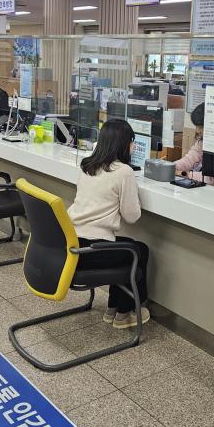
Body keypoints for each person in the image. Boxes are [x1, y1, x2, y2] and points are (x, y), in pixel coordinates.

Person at [67, 119, 150, 329]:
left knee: (129, 247)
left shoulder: (87, 166)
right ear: (125, 143)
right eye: (132, 141)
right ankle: (125, 312)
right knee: (138, 251)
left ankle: (113, 308)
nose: (133, 146)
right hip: (91, 250)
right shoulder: (124, 171)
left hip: (71, 243)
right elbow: (132, 216)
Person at [175, 103, 205, 176]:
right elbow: (189, 160)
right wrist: (171, 166)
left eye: (201, 127)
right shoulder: (201, 141)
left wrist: (186, 174)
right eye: (196, 126)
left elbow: (213, 179)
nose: (197, 130)